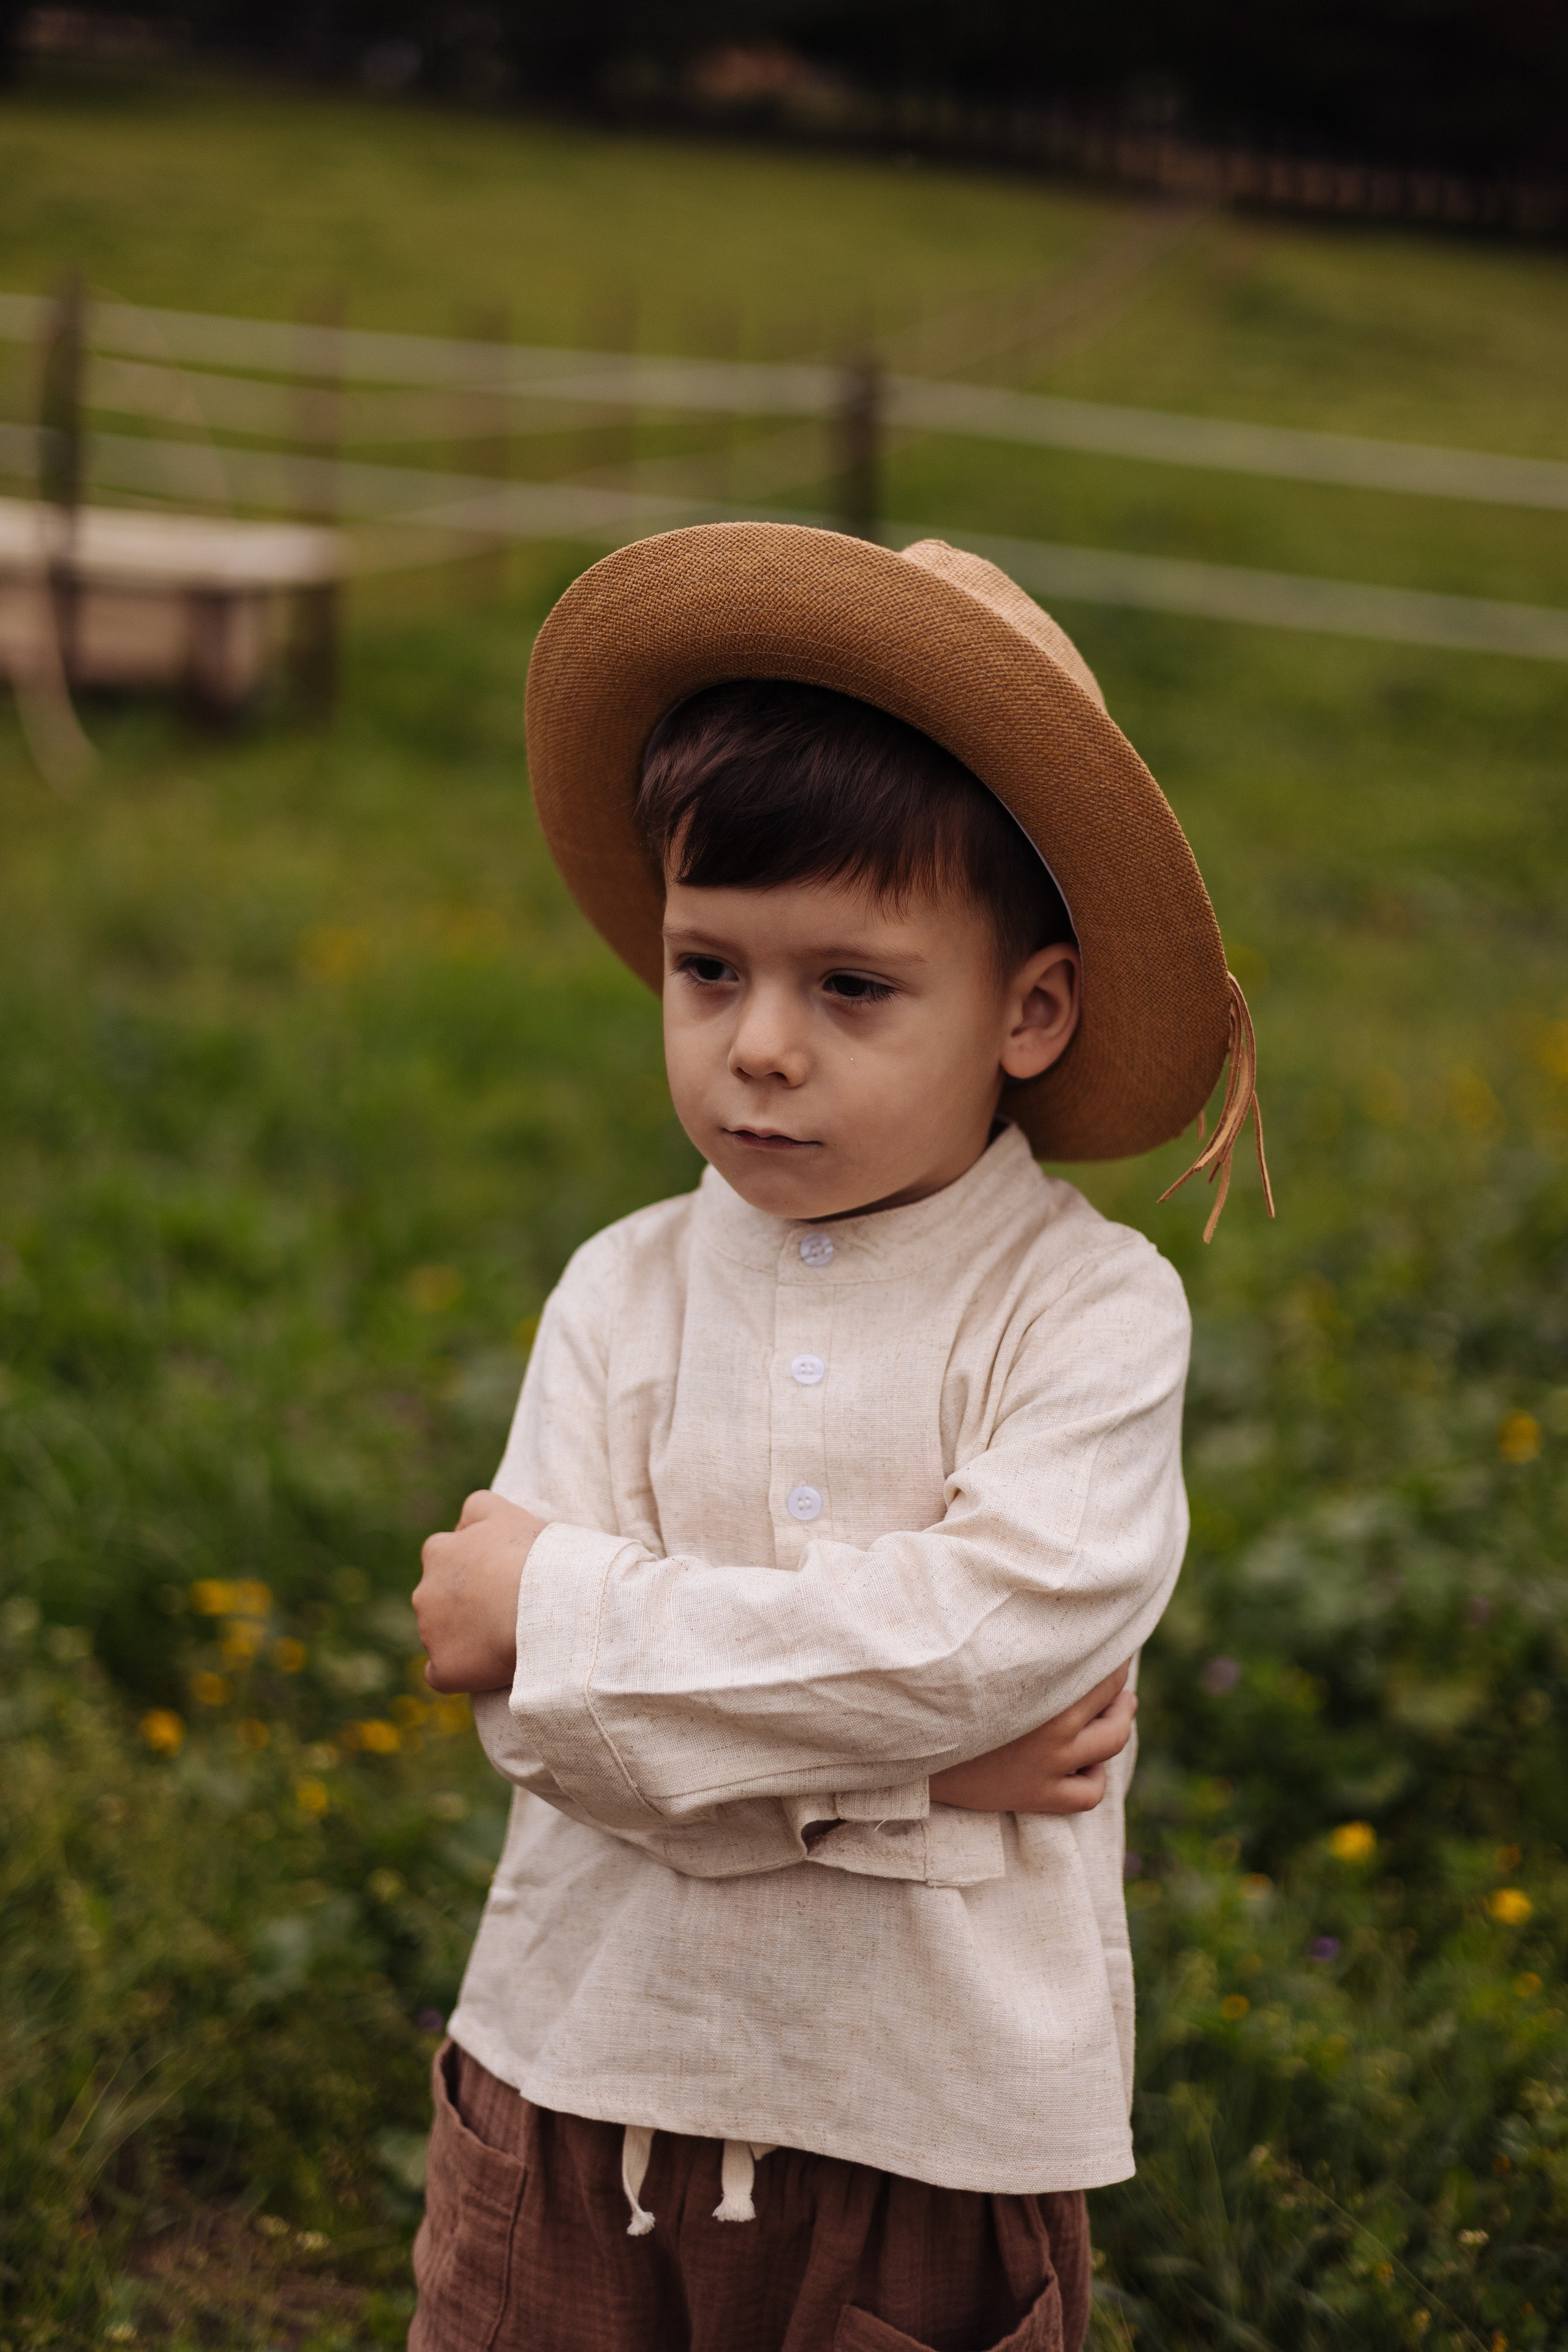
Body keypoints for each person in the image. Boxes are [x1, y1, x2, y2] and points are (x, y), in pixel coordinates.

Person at [409, 524, 1272, 2352]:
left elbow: (995, 1634)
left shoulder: (1088, 1315)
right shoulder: (620, 1292)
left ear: (1029, 1008)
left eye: (852, 988)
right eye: (708, 969)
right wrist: (913, 1779)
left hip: (926, 2137)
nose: (761, 1047)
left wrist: (573, 1612)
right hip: (577, 2081)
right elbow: (522, 1725)